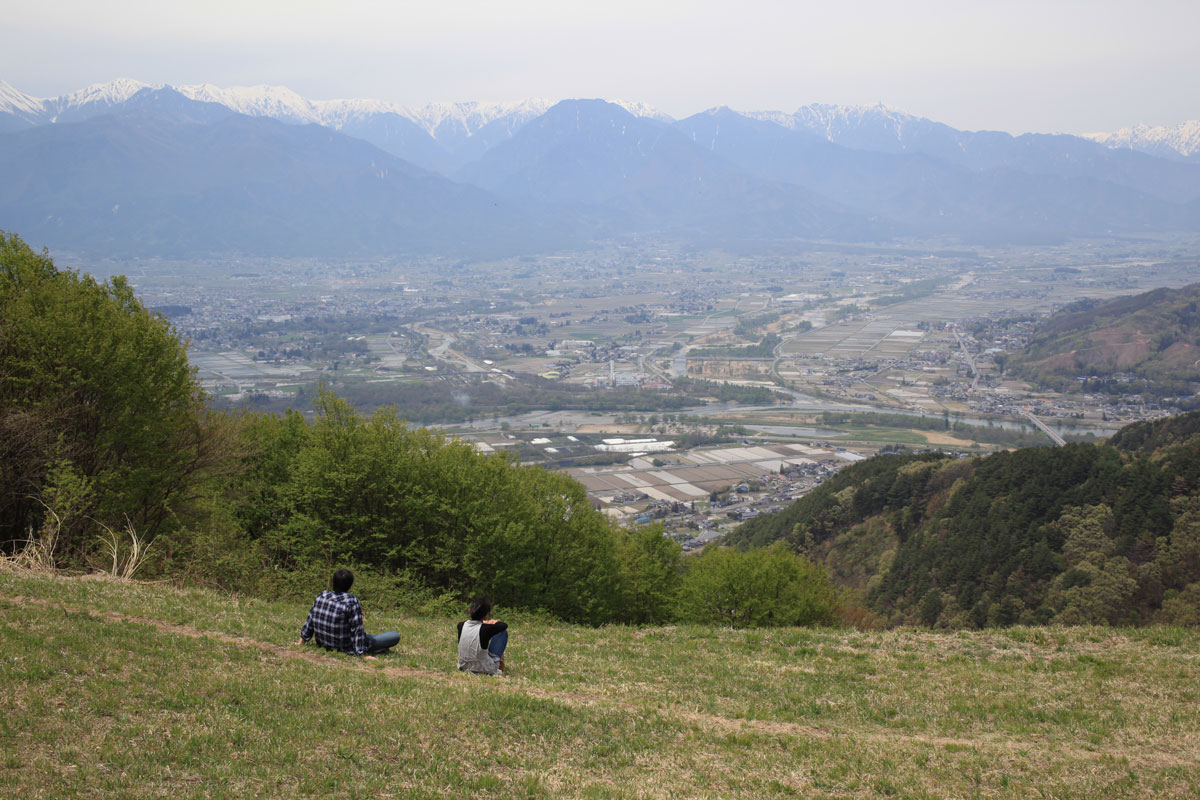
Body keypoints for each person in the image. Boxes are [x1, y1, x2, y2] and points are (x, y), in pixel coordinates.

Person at [299, 568, 399, 657]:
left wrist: (301, 641)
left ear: (333, 582)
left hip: (323, 643)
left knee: (370, 637)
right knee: (394, 636)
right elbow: (357, 630)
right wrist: (361, 653)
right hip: (344, 647)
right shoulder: (351, 601)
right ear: (350, 585)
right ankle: (374, 647)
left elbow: (310, 621)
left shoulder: (322, 595)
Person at [457, 595, 508, 675]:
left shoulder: (461, 625)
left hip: (464, 666)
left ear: (469, 610)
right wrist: (490, 622)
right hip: (485, 668)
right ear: (485, 616)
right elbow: (503, 626)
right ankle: (498, 664)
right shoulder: (486, 629)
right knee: (503, 632)